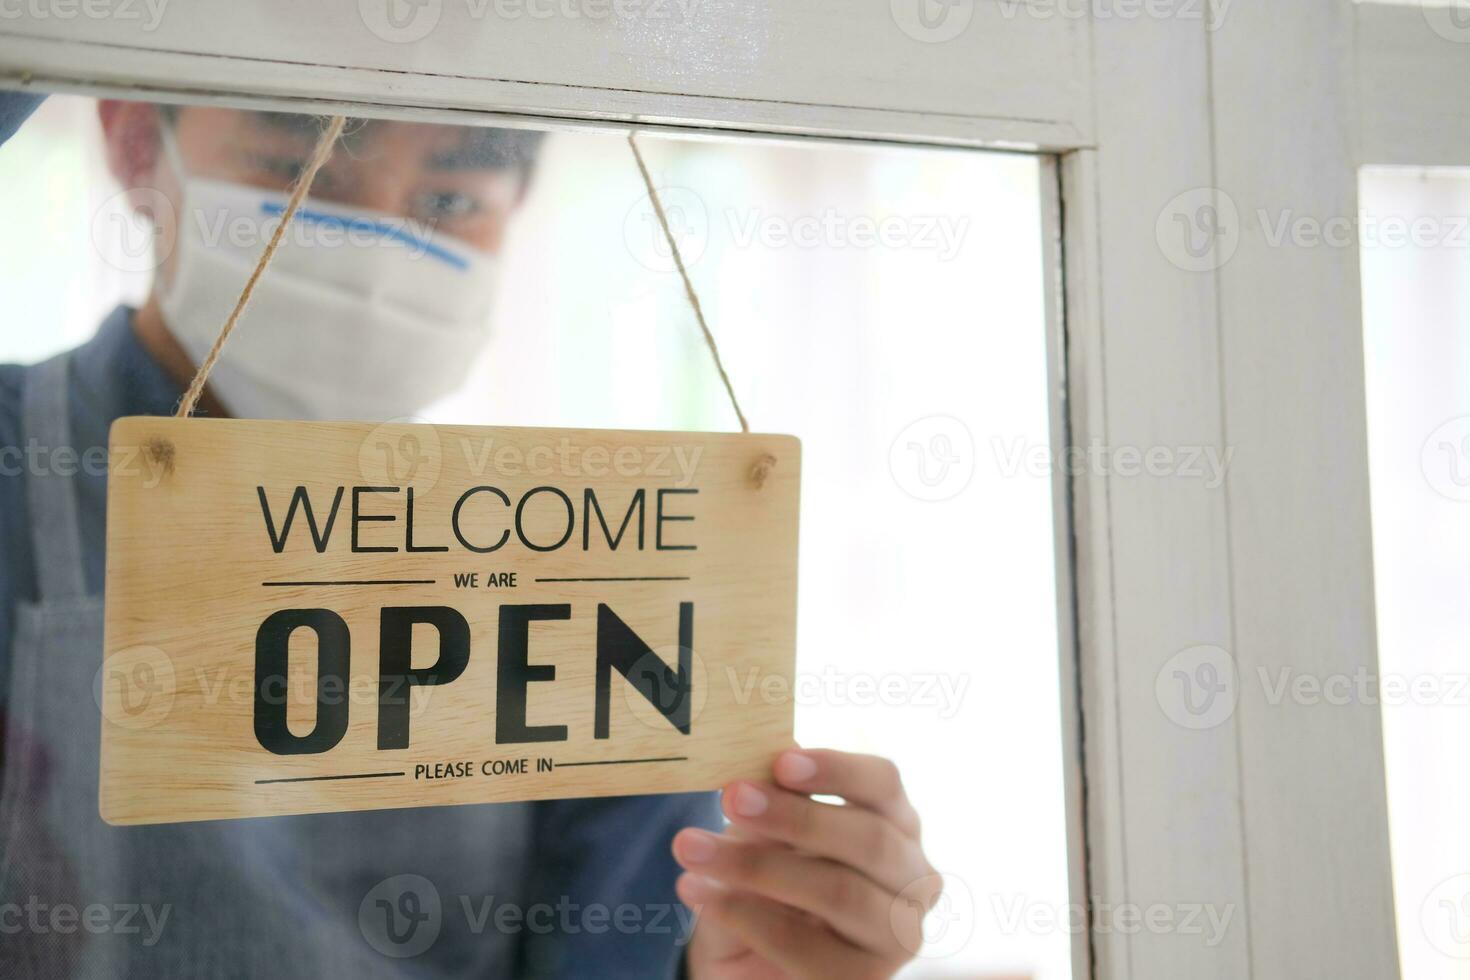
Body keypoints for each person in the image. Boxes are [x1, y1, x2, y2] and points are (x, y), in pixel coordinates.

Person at [0, 96, 940, 979]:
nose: (374, 248)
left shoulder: (590, 553)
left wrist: (733, 953)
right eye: (299, 174)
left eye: (449, 197)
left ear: (518, 207)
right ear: (132, 140)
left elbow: (621, 941)